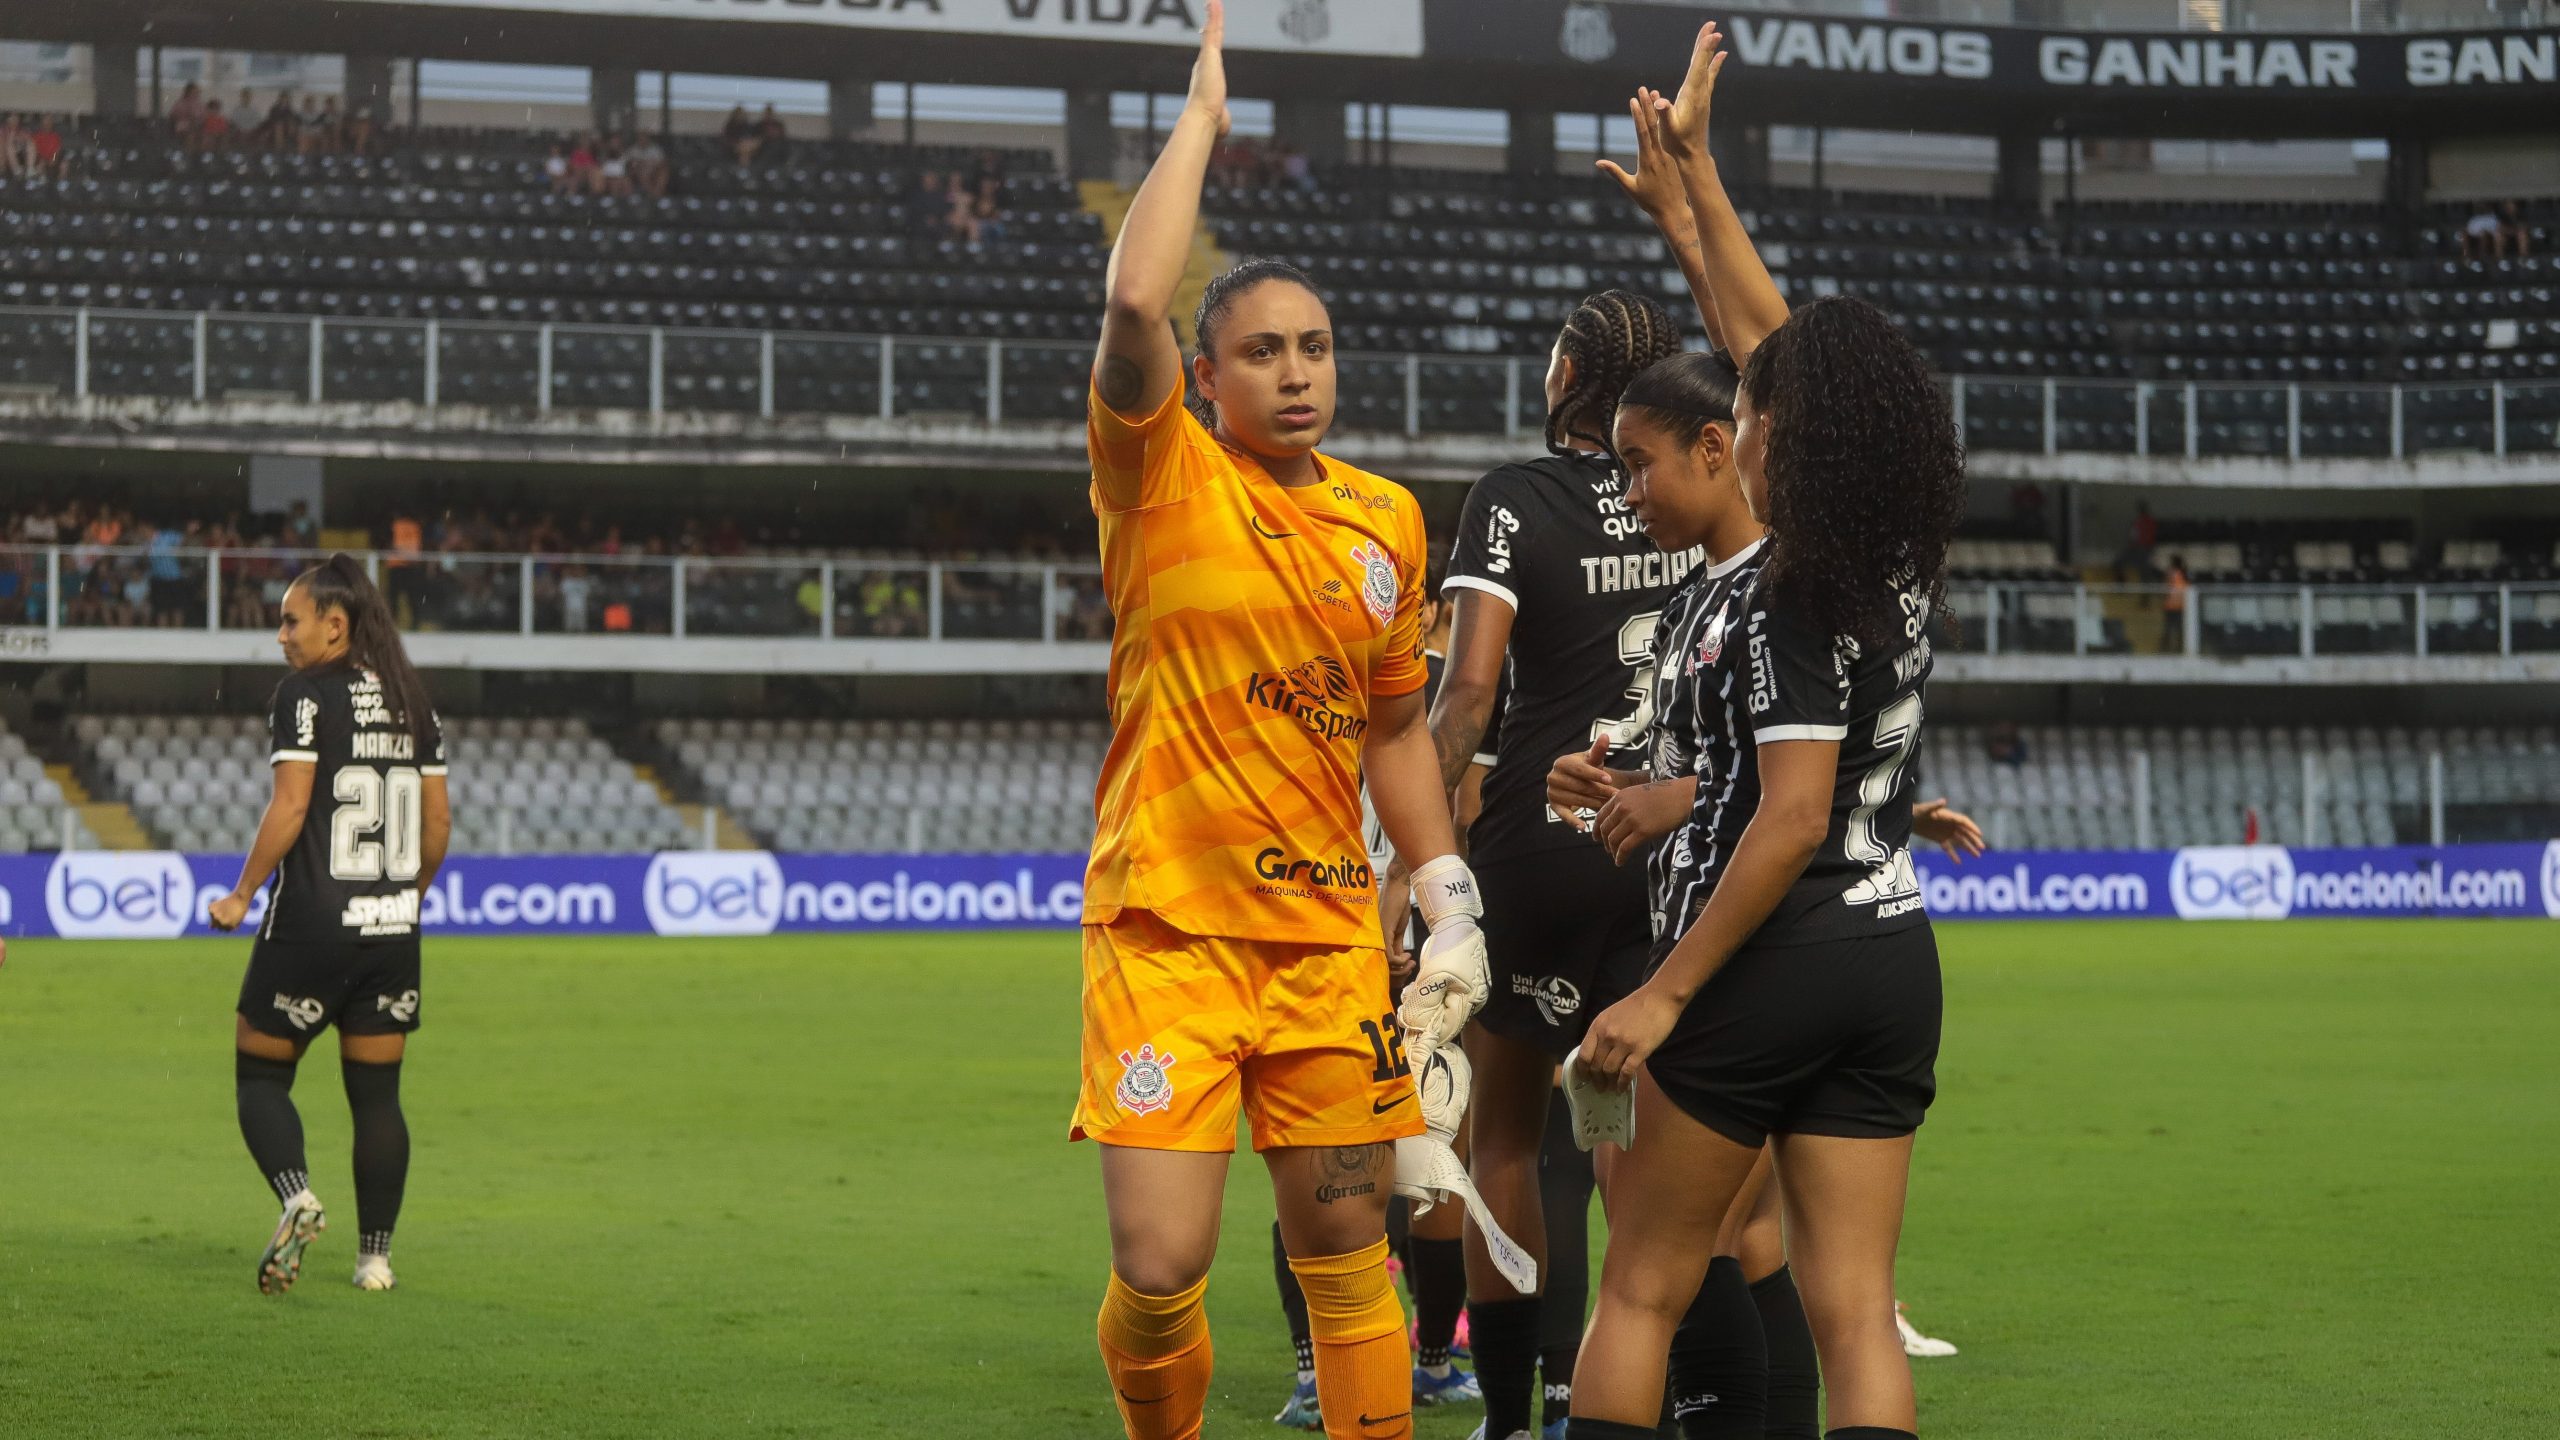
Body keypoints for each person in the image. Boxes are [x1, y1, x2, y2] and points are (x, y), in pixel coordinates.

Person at [1074, 8, 1491, 1439]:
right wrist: (1199, 122)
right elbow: (1134, 306)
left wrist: (1442, 894)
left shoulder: (1389, 524)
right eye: (1261, 351)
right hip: (1169, 939)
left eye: (1315, 347)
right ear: (1213, 371)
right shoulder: (1160, 472)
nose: (1297, 372)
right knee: (1161, 1263)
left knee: (1348, 1254)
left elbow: (1392, 731)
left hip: (1323, 945)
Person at [1558, 28, 1970, 1440]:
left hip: (1773, 952)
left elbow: (1789, 816)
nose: (1739, 410)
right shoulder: (1902, 544)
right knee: (1857, 1311)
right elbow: (1770, 343)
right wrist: (1698, 199)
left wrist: (1666, 991)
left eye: (1751, 412)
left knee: (1644, 1291)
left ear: (1786, 433)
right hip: (1892, 957)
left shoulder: (1789, 585)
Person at [206, 555, 451, 1297]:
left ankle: (296, 1196)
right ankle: (375, 1259)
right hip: (392, 931)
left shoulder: (303, 697)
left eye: (291, 619)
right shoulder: (415, 701)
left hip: (312, 924)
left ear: (334, 625)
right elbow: (438, 825)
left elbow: (289, 806)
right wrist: (405, 898)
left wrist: (243, 892)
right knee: (377, 1096)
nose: (281, 635)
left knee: (260, 1072)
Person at [1279, 567, 1487, 1433]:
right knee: (1434, 1159)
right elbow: (1465, 812)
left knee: (1308, 1160)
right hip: (1417, 945)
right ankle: (1434, 1361)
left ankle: (1313, 1373)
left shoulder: (1298, 674)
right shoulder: (1446, 693)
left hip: (1321, 936)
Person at [2161, 554, 2190, 653]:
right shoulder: (2174, 573)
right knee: (2170, 628)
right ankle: (2166, 648)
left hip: (2179, 605)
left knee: (2178, 629)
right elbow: (2167, 586)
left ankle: (2179, 648)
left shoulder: (2182, 573)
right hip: (2172, 605)